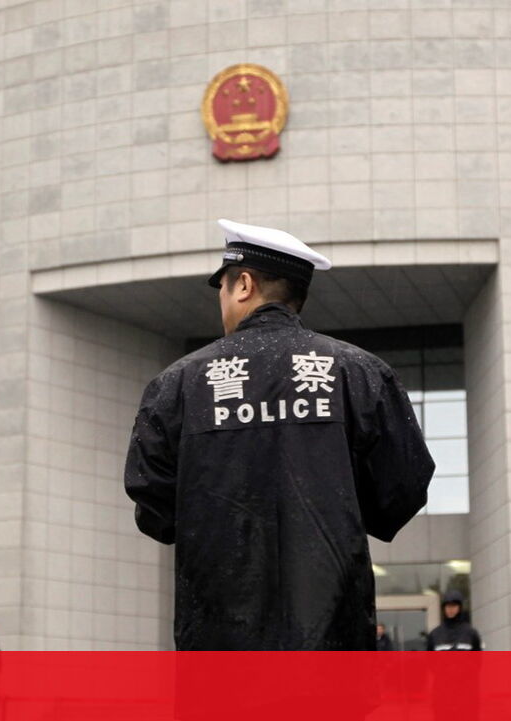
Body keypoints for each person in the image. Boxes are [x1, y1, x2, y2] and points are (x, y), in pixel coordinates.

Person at [124, 219, 435, 651]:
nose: (220, 299)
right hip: (332, 640)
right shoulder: (359, 373)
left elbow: (153, 506)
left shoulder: (178, 384)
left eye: (222, 287)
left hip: (219, 643)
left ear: (244, 284)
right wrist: (337, 512)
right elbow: (402, 489)